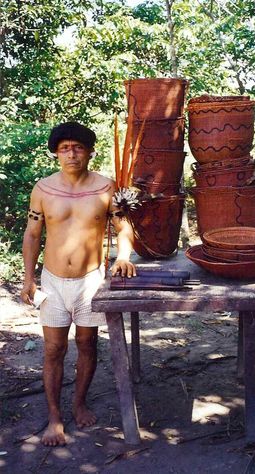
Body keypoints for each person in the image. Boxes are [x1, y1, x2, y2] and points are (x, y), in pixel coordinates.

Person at [20, 122, 136, 447]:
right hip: (52, 282)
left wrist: (123, 257)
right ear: (56, 152)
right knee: (54, 349)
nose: (71, 153)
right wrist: (29, 279)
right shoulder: (43, 189)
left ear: (89, 152)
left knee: (87, 344)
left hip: (91, 280)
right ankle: (55, 416)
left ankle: (79, 402)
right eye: (65, 148)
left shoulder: (105, 187)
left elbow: (123, 225)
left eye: (78, 147)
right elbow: (32, 235)